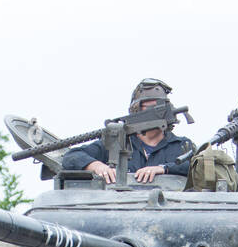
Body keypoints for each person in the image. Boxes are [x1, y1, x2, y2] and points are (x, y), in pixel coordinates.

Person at [61, 79, 194, 184]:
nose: (156, 112)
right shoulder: (117, 143)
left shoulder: (181, 145)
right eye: (150, 107)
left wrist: (164, 168)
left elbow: (198, 166)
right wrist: (97, 166)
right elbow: (71, 157)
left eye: (160, 107)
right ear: (136, 110)